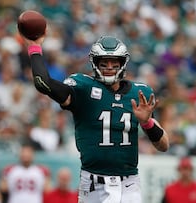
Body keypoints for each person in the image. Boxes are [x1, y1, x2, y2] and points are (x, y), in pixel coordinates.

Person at [24, 34, 169, 203]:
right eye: (104, 63)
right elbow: (43, 83)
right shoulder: (83, 88)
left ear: (123, 64)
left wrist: (147, 122)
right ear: (94, 63)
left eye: (114, 63)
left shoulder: (138, 94)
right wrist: (35, 48)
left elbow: (163, 145)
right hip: (93, 184)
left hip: (128, 184)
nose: (109, 67)